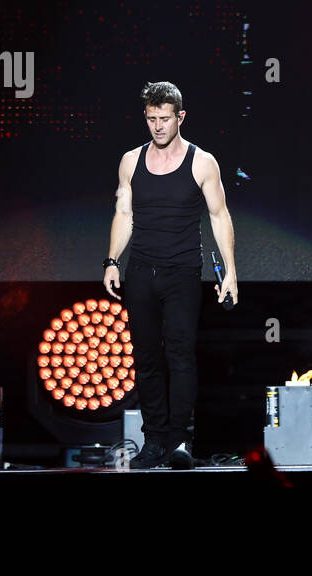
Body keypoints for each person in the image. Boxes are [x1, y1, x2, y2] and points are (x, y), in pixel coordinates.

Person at [103, 82, 236, 470]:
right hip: (141, 269)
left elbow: (219, 215)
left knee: (179, 355)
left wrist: (230, 272)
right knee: (145, 358)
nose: (158, 126)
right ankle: (153, 440)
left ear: (180, 117)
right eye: (151, 119)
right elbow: (124, 215)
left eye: (164, 119)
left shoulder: (202, 162)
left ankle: (180, 440)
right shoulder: (131, 160)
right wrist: (112, 261)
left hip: (182, 270)